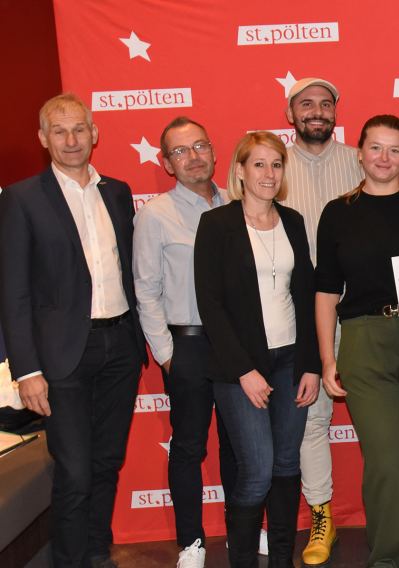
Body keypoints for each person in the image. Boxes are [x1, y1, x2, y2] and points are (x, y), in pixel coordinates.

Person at [0, 93, 147, 568]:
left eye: (79, 129)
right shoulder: (22, 199)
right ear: (43, 139)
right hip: (61, 357)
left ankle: (97, 553)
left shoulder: (117, 192)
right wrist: (27, 371)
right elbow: (13, 292)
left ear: (95, 134)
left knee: (106, 462)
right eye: (59, 131)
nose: (71, 140)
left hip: (121, 345)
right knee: (76, 470)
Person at [315, 114, 399, 568]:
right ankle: (390, 559)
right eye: (375, 148)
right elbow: (326, 291)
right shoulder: (337, 212)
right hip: (363, 340)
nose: (384, 158)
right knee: (386, 461)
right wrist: (325, 358)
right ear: (359, 152)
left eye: (395, 150)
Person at [194, 131, 321, 567]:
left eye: (276, 164)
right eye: (259, 164)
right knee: (258, 469)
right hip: (239, 369)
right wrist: (244, 371)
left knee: (287, 465)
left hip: (291, 362)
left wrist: (312, 365)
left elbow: (305, 297)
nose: (269, 174)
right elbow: (209, 305)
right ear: (241, 171)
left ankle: (282, 560)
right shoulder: (216, 225)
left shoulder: (294, 221)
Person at [133, 116, 236, 568]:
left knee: (239, 445)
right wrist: (168, 355)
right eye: (181, 150)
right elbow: (146, 290)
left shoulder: (239, 204)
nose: (194, 157)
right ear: (166, 162)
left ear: (214, 151)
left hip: (235, 346)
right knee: (190, 447)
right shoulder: (155, 215)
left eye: (200, 146)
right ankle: (191, 542)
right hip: (188, 346)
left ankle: (243, 532)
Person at [280, 76, 363, 565]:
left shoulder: (359, 160)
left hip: (361, 311)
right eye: (306, 103)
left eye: (325, 103)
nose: (317, 111)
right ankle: (321, 517)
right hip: (300, 315)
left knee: (387, 416)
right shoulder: (273, 165)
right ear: (291, 113)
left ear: (336, 110)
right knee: (312, 419)